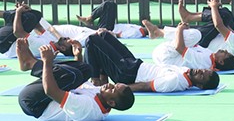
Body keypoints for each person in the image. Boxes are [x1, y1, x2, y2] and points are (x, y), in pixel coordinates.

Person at [16, 42, 134, 121]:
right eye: (114, 84)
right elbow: (81, 83)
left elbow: (51, 92)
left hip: (34, 103)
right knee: (86, 70)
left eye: (112, 89)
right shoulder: (103, 97)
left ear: (111, 102)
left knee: (72, 76)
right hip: (47, 96)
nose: (109, 85)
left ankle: (30, 63)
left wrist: (47, 61)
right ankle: (30, 64)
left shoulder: (88, 108)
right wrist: (78, 56)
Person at [83, 30, 219, 93]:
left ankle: (95, 82)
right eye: (204, 70)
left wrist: (119, 88)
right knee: (104, 35)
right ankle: (102, 77)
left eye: (202, 75)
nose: (200, 71)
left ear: (200, 86)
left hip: (128, 73)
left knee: (92, 40)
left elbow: (146, 86)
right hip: (135, 64)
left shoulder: (175, 81)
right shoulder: (187, 72)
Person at [151, 22, 234, 71]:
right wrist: (185, 32)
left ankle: (159, 33)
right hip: (165, 54)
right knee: (193, 36)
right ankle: (158, 33)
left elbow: (180, 48)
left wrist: (180, 30)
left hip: (165, 57)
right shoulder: (210, 55)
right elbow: (191, 45)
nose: (225, 51)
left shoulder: (204, 62)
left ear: (221, 62)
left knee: (196, 35)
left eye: (226, 54)